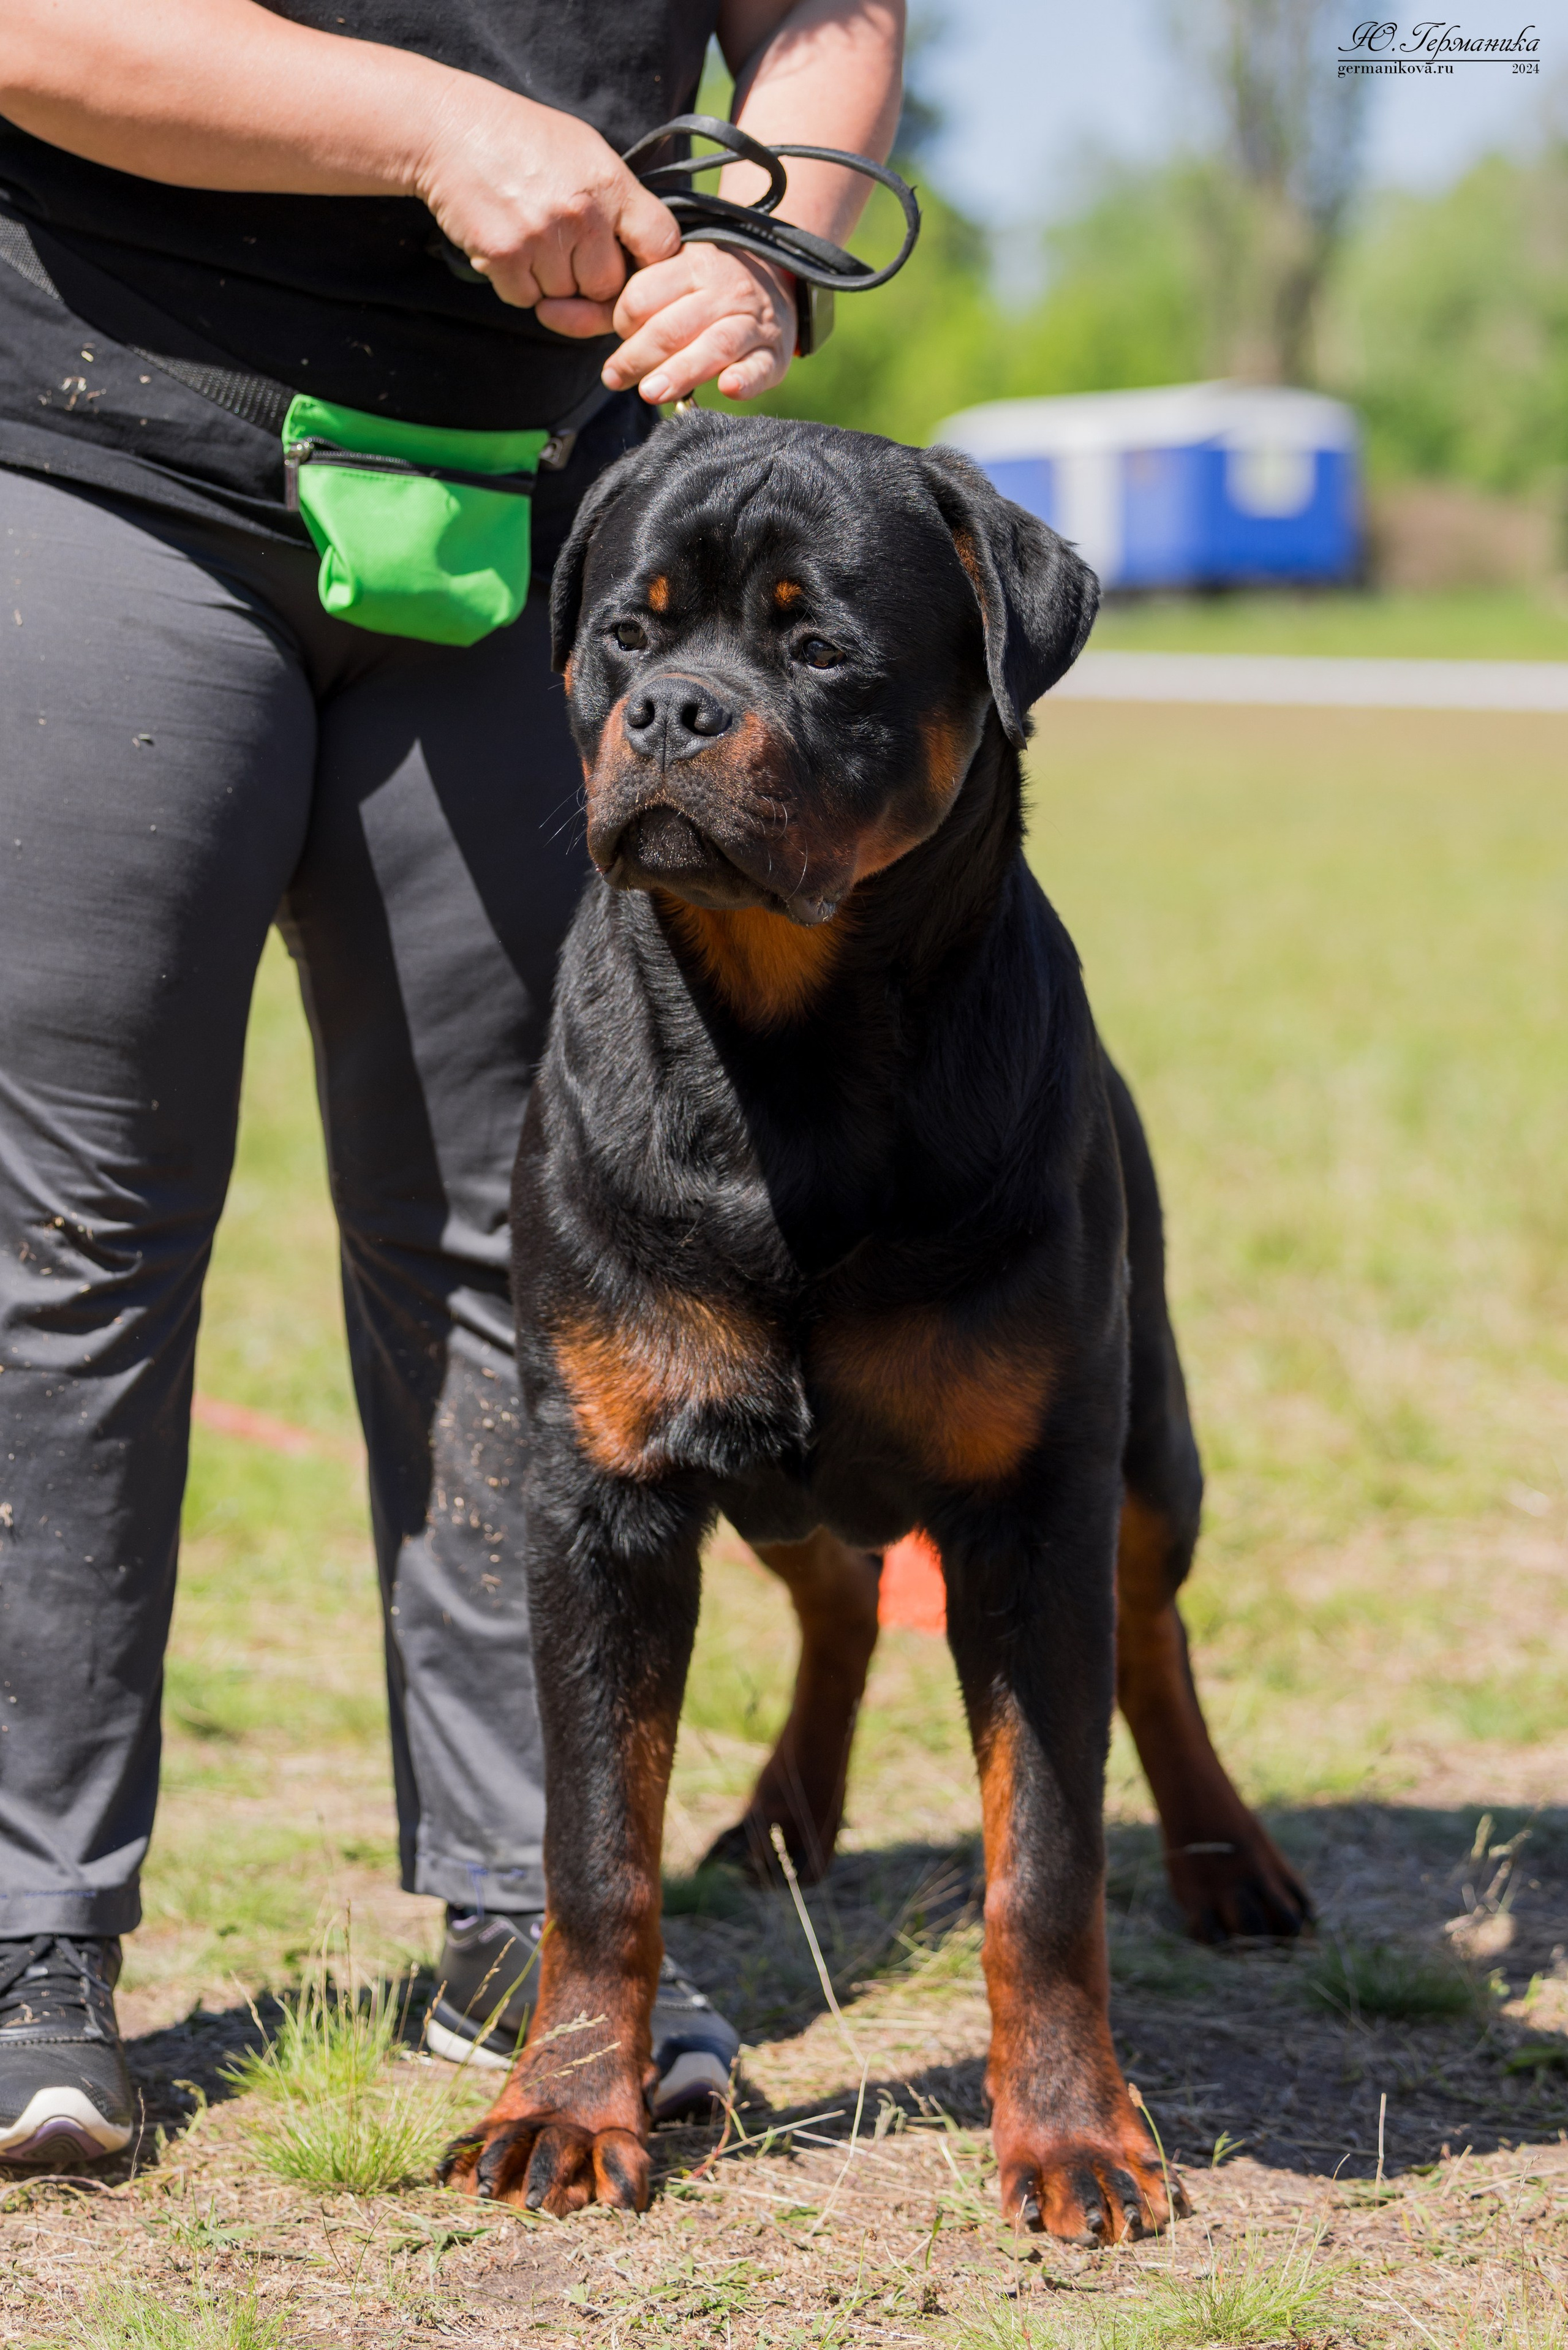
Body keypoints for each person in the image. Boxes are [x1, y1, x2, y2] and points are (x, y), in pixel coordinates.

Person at [0, 0, 902, 2164]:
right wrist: (430, 129)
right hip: (116, 450)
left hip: (548, 514)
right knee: (75, 1232)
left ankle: (540, 1920)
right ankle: (30, 1938)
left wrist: (761, 253)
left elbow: (826, 28)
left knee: (533, 1239)